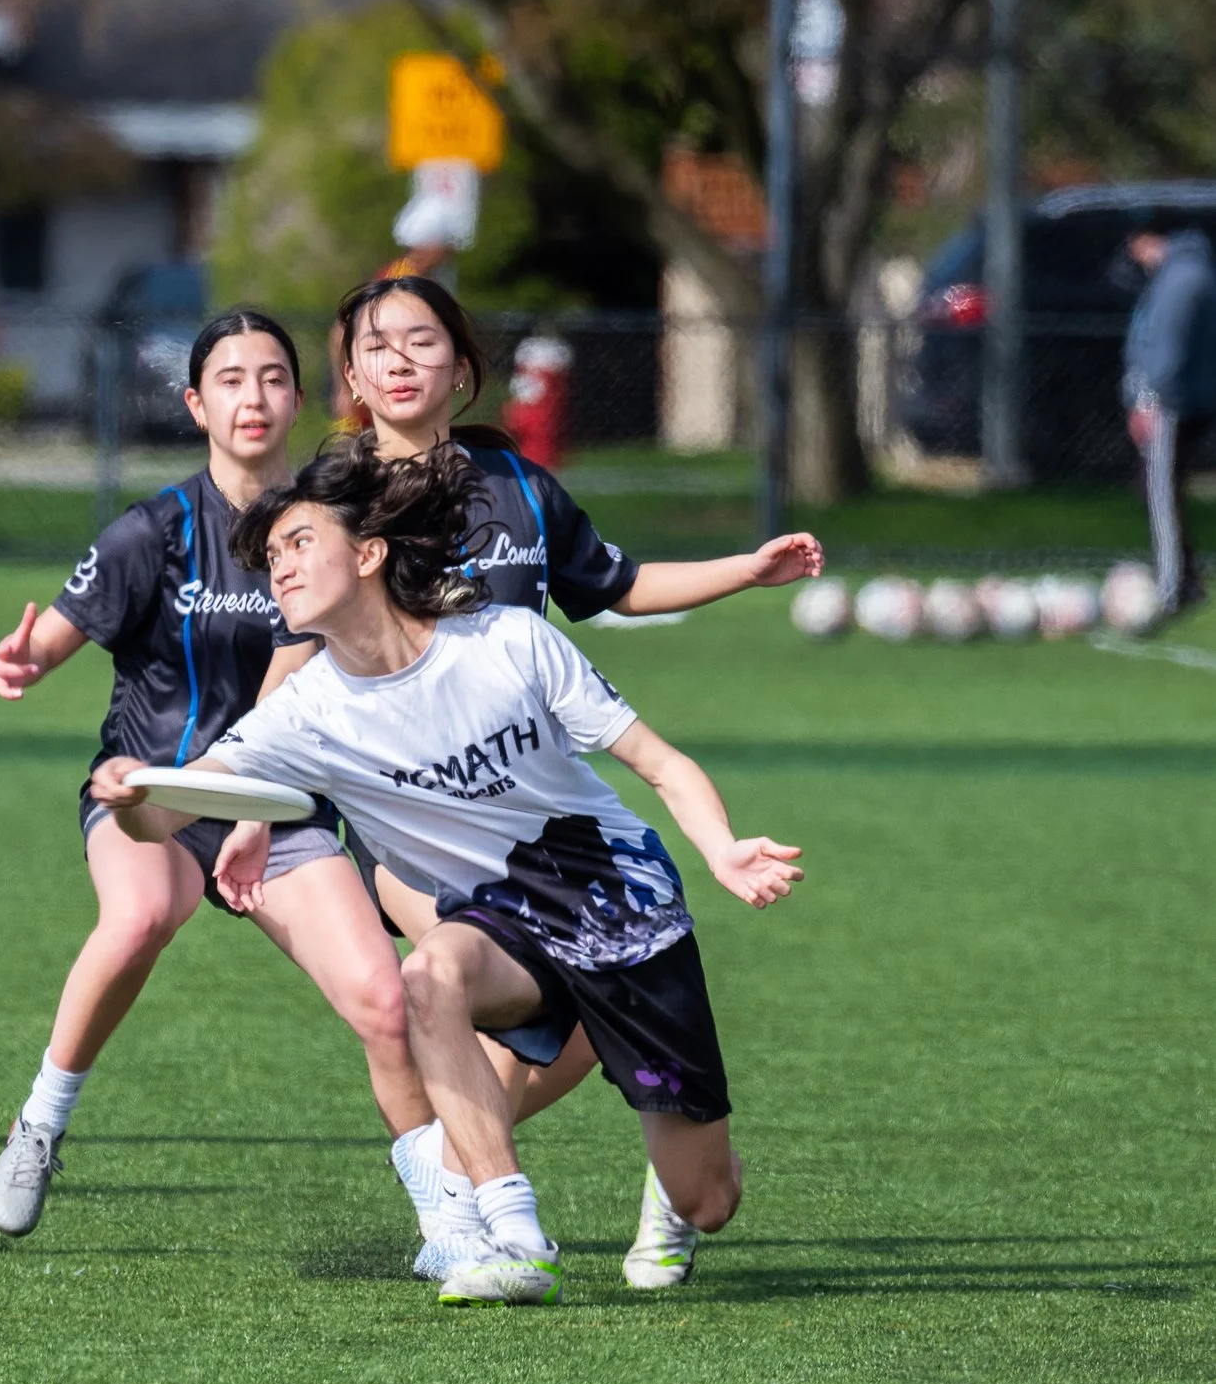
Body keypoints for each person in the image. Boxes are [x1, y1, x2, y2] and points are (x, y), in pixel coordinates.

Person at [91, 441, 802, 1305]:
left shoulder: (507, 642)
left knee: (709, 1197)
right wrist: (130, 795)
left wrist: (721, 846)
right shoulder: (304, 714)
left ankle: (677, 1170)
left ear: (368, 552)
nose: (280, 568)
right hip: (498, 918)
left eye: (300, 543)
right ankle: (515, 1237)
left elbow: (658, 762)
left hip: (620, 907)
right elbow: (171, 808)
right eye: (270, 555)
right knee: (425, 980)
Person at [243, 273, 822, 1284]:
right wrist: (254, 798)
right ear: (350, 375)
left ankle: (654, 1154)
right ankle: (478, 1216)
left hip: (548, 815)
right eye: (375, 346)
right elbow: (298, 646)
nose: (398, 359)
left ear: (463, 368)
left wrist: (745, 567)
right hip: (415, 824)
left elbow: (618, 585)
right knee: (428, 992)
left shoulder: (516, 483)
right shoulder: (336, 494)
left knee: (560, 1019)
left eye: (421, 342)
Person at [0, 310, 445, 1261]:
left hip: (282, 807)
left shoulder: (336, 532)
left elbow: (322, 665)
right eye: (230, 379)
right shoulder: (151, 530)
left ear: (299, 399)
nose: (254, 397)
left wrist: (259, 801)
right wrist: (24, 659)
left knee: (383, 1001)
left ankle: (451, 1220)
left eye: (273, 377)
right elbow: (59, 635)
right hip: (154, 793)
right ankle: (39, 1122)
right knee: (142, 915)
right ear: (197, 403)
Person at [1121, 223, 1215, 617]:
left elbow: (1168, 347)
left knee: (1160, 491)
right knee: (1157, 487)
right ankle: (1185, 579)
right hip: (1174, 399)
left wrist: (1147, 400)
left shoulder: (1183, 278)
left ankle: (1170, 587)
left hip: (1171, 404)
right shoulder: (1179, 274)